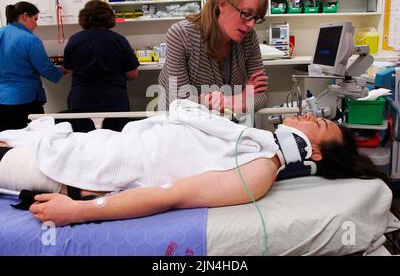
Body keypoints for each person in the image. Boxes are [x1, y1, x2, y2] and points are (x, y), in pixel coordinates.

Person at [0, 100, 398, 226]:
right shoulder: (253, 139)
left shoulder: (261, 168)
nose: (311, 115)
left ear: (314, 153)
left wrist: (79, 213)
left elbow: (170, 195)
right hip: (94, 146)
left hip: (74, 169)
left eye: (321, 123)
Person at [158, 0, 269, 114]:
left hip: (227, 126)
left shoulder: (248, 37)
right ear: (222, 4)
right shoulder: (182, 34)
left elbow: (261, 94)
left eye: (256, 18)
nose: (251, 25)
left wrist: (230, 102)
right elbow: (179, 101)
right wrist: (241, 96)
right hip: (185, 127)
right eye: (247, 14)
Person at [63, 0, 140, 131]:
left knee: (82, 140)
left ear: (83, 17)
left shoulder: (74, 40)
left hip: (81, 99)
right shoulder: (118, 40)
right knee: (114, 140)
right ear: (109, 17)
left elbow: (68, 68)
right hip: (113, 100)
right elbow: (132, 74)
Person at [0, 1, 65, 131]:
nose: (36, 24)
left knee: (6, 141)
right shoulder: (30, 39)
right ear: (25, 16)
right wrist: (65, 70)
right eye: (35, 19)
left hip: (2, 100)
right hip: (24, 101)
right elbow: (46, 69)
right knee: (31, 140)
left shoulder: (1, 32)